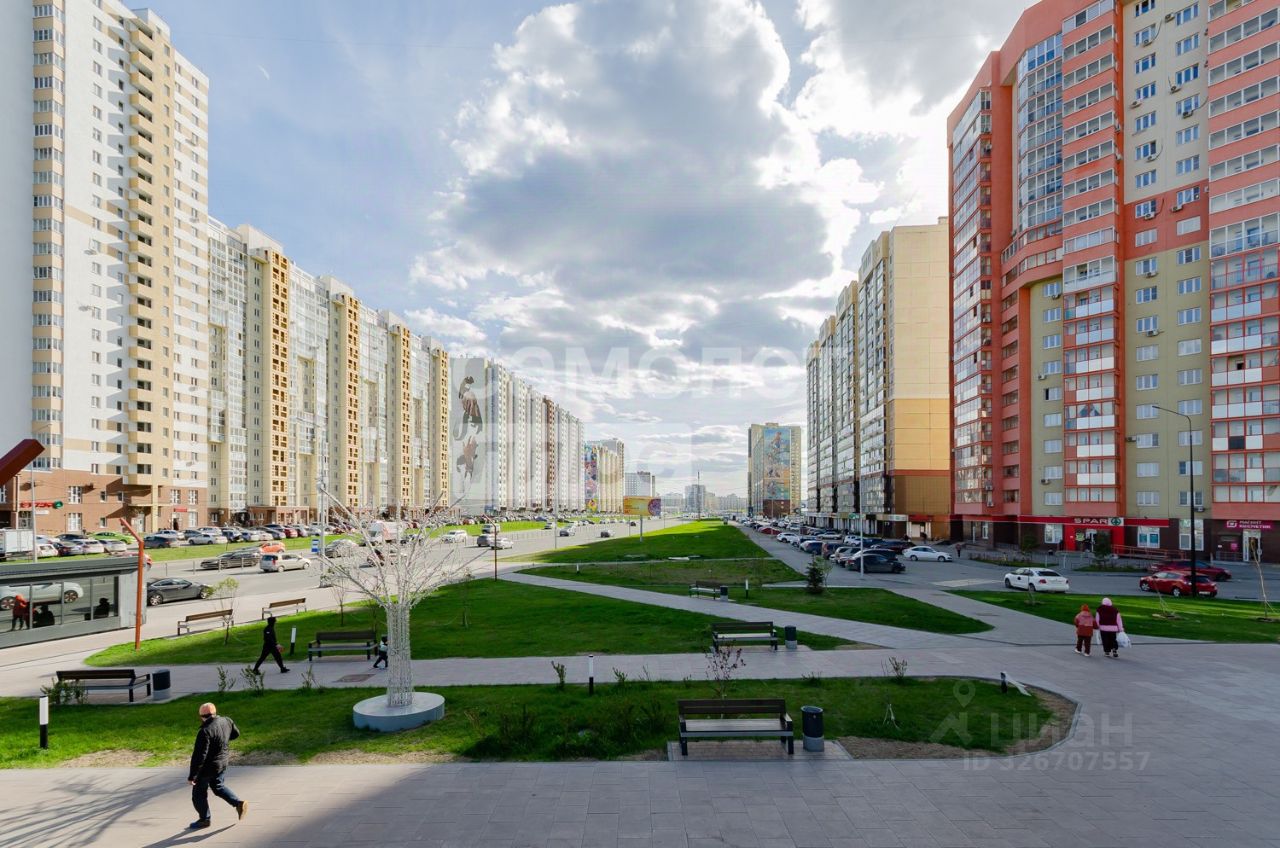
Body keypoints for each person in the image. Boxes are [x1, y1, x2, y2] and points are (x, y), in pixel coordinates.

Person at [188, 702, 247, 829]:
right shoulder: (226, 720)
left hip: (208, 767)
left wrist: (193, 775)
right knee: (218, 787)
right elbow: (236, 734)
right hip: (222, 762)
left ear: (201, 717)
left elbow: (199, 756)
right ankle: (238, 804)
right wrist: (222, 741)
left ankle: (204, 819)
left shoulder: (205, 731)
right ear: (215, 713)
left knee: (198, 793)